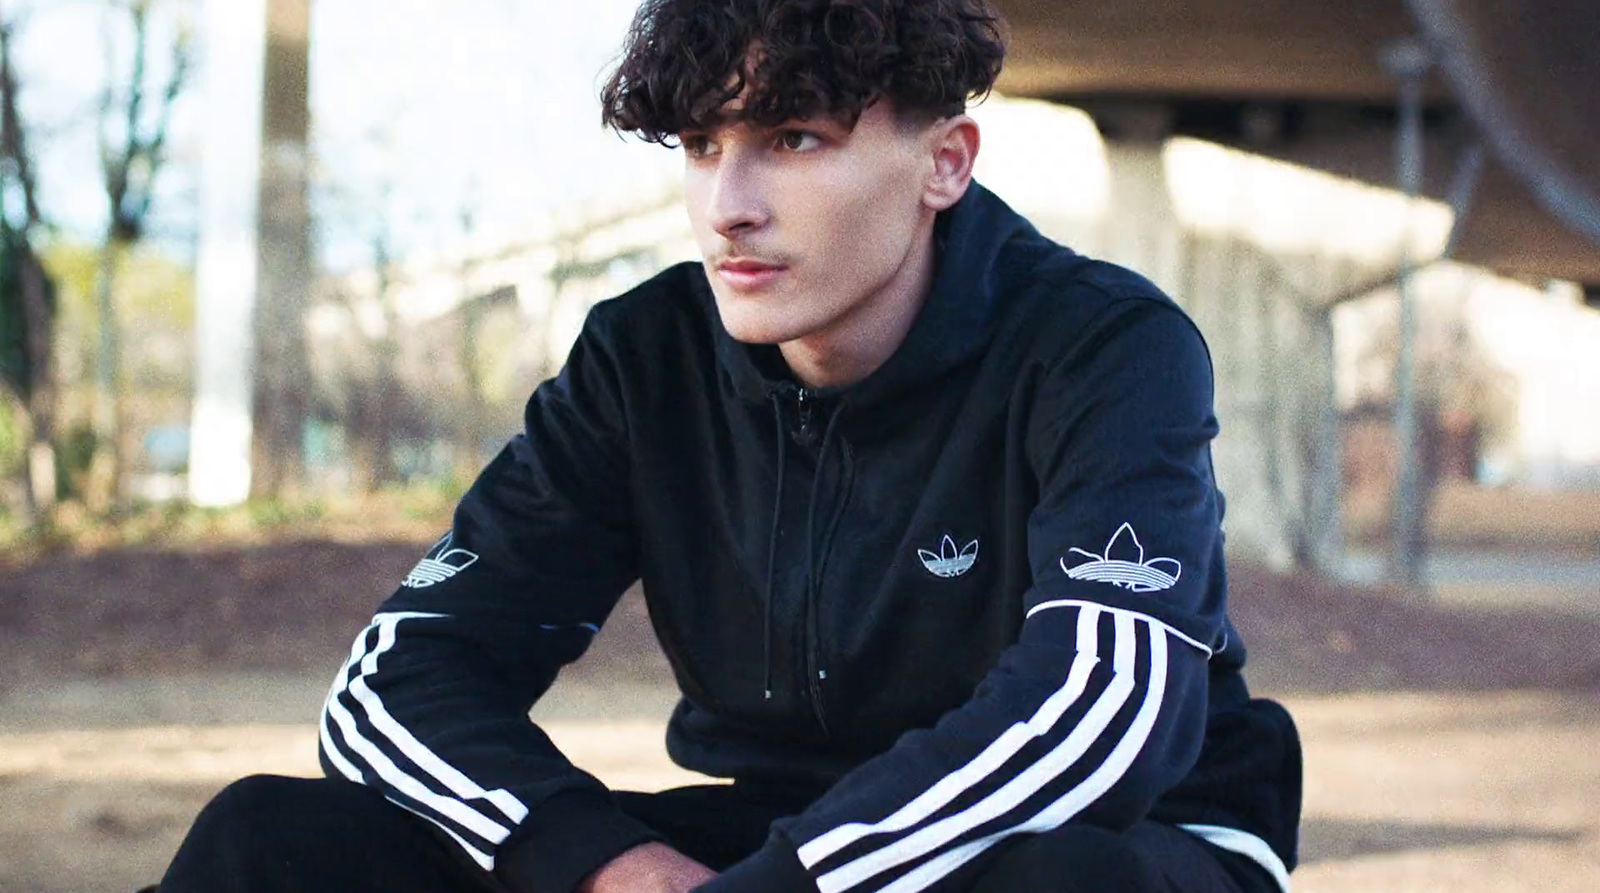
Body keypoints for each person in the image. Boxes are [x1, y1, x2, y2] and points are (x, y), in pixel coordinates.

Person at [153, 1, 1302, 891]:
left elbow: (1101, 712)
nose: (728, 204)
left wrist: (792, 882)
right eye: (702, 145)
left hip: (1105, 834)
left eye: (791, 139)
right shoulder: (644, 356)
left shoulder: (1104, 346)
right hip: (773, 831)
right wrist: (596, 854)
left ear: (945, 162)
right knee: (269, 837)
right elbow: (392, 688)